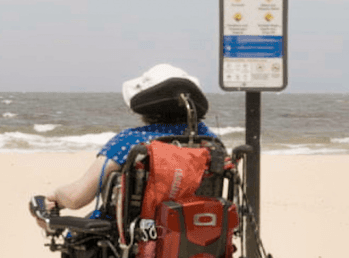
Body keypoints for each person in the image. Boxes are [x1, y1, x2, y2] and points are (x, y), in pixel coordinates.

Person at [38, 64, 216, 214]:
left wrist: (55, 196)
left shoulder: (132, 141)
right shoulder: (210, 141)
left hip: (137, 239)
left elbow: (77, 198)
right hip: (200, 234)